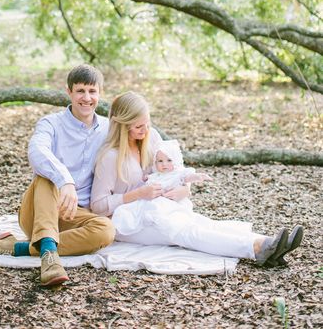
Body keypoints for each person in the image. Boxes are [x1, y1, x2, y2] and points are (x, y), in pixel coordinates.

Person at [90, 92, 303, 267]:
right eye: (138, 126)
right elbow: (97, 206)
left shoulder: (151, 137)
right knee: (186, 231)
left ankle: (269, 243)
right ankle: (257, 248)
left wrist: (185, 188)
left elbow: (176, 170)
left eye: (147, 123)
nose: (145, 130)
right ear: (122, 125)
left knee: (199, 222)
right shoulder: (110, 157)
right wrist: (138, 194)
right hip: (127, 223)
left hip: (158, 206)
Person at [0, 64, 115, 286]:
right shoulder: (51, 123)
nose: (86, 98)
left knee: (106, 231)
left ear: (100, 94)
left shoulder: (108, 128)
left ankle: (15, 247)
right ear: (69, 92)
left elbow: (141, 139)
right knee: (46, 175)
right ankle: (49, 260)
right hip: (39, 209)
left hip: (75, 216)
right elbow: (37, 151)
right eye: (80, 91)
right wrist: (65, 181)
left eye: (92, 91)